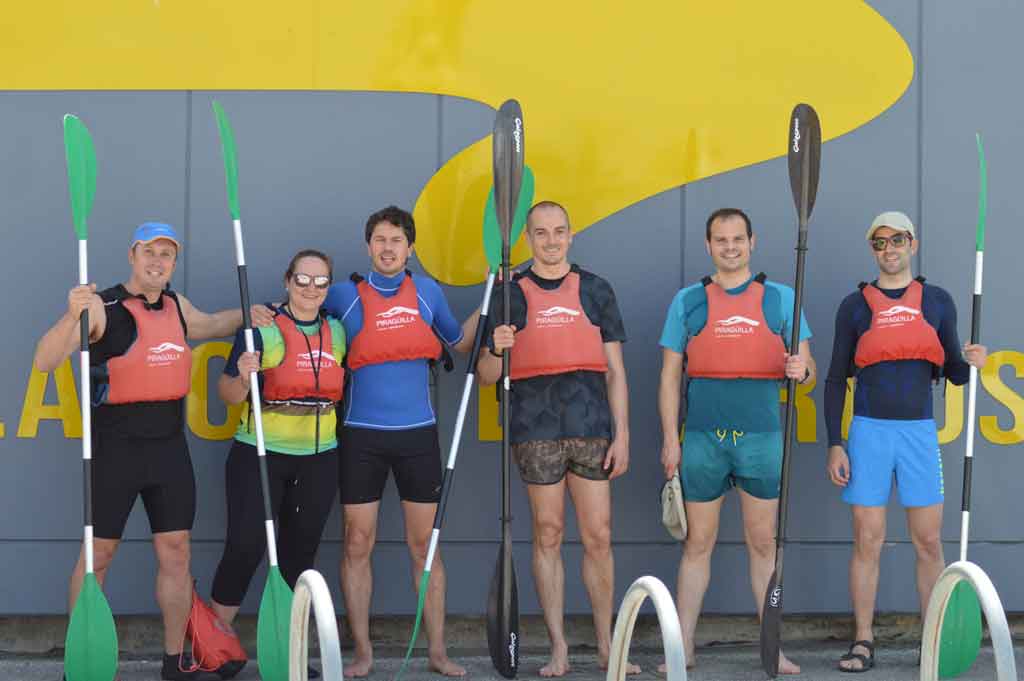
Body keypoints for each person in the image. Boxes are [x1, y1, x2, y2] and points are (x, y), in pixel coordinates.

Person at [33, 222, 273, 681]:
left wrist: (249, 314)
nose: (158, 261)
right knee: (97, 557)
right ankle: (82, 662)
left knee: (177, 553)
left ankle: (174, 660)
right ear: (132, 255)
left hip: (168, 450)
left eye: (167, 254)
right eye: (150, 252)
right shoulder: (100, 307)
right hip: (116, 452)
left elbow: (211, 324)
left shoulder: (177, 306)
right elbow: (45, 360)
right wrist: (70, 315)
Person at [824, 211, 987, 672]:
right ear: (872, 250)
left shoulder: (937, 301)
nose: (889, 249)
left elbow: (955, 374)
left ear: (912, 244)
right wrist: (835, 443)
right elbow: (836, 378)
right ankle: (862, 640)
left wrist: (972, 359)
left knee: (929, 541)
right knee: (867, 539)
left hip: (918, 434)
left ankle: (932, 637)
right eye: (879, 243)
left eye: (897, 240)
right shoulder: (854, 307)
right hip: (869, 432)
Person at [480, 200, 635, 678]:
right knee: (548, 535)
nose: (551, 240)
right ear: (528, 238)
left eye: (560, 231)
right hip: (535, 431)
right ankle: (559, 648)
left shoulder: (596, 289)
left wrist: (622, 433)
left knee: (599, 537)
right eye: (541, 233)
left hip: (590, 428)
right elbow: (486, 375)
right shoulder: (509, 294)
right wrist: (497, 348)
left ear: (571, 235)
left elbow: (615, 371)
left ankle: (609, 648)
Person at [323, 206, 477, 678]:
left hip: (417, 436)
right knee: (356, 544)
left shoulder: (427, 292)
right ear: (368, 246)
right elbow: (302, 320)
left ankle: (437, 652)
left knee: (423, 548)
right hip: (361, 437)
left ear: (410, 249)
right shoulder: (343, 296)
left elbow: (461, 342)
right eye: (379, 240)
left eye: (396, 241)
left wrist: (493, 305)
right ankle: (363, 652)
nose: (387, 248)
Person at [658, 208, 813, 674]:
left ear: (752, 241)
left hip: (761, 437)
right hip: (703, 437)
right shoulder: (688, 300)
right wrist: (671, 439)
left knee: (763, 545)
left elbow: (809, 371)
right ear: (708, 246)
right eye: (721, 240)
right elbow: (669, 376)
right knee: (696, 545)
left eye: (738, 239)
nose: (730, 247)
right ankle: (682, 647)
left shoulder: (784, 298)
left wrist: (799, 370)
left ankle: (772, 649)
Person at [204, 249, 346, 678]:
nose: (311, 289)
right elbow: (228, 394)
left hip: (318, 460)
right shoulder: (260, 329)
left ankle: (290, 653)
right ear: (288, 281)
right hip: (260, 456)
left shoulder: (338, 331)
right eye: (303, 280)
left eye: (321, 282)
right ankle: (213, 645)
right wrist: (244, 373)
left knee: (298, 557)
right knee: (244, 548)